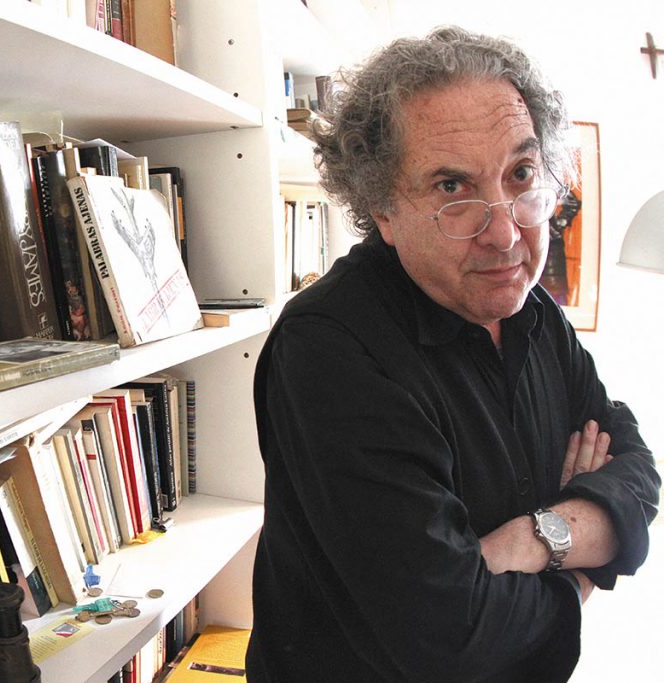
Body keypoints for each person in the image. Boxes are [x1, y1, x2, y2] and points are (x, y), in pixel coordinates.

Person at [247, 27, 660, 682]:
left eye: (521, 174)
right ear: (382, 207)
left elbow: (637, 476)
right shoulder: (329, 350)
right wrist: (580, 569)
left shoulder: (536, 313)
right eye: (451, 187)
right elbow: (447, 641)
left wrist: (534, 539)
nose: (505, 233)